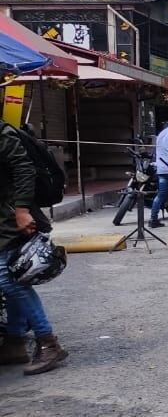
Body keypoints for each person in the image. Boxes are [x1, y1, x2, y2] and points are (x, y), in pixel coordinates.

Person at [0, 122, 67, 375]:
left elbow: (23, 168)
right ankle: (15, 342)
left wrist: (22, 210)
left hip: (9, 216)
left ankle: (48, 342)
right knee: (11, 276)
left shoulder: (2, 133)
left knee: (9, 280)